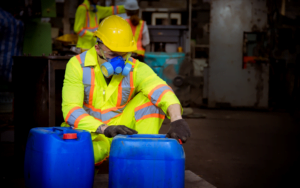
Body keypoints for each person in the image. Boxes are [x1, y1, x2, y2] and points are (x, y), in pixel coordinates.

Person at [61, 15, 191, 170]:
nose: (119, 62)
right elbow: (71, 111)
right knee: (72, 159)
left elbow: (161, 90)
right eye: (112, 55)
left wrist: (177, 119)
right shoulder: (77, 66)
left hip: (121, 132)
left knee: (151, 101)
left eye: (123, 55)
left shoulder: (135, 68)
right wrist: (104, 129)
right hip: (90, 133)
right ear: (97, 47)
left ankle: (141, 156)